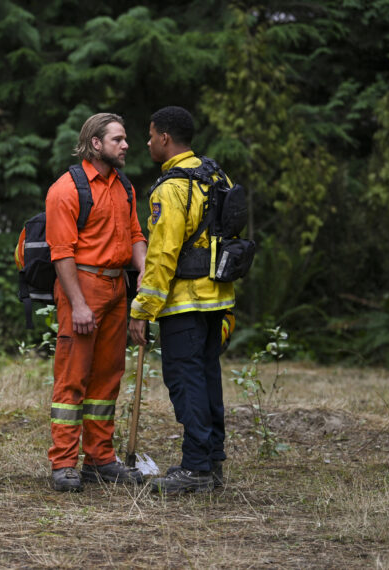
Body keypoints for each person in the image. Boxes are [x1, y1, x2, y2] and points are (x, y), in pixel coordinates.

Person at [128, 106, 236, 494]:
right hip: (218, 300)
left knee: (187, 383)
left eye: (151, 134)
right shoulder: (216, 175)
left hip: (184, 305)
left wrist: (142, 310)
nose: (147, 142)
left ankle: (195, 470)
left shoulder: (171, 188)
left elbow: (161, 255)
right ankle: (212, 461)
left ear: (165, 139)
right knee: (208, 380)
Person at [45, 113, 147, 492]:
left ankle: (100, 459)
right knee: (73, 380)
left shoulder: (125, 187)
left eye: (125, 139)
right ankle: (63, 464)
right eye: (118, 139)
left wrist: (143, 275)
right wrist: (79, 304)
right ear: (95, 144)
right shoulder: (66, 190)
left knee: (107, 379)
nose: (126, 145)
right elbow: (61, 253)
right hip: (81, 288)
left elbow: (136, 234)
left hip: (117, 290)